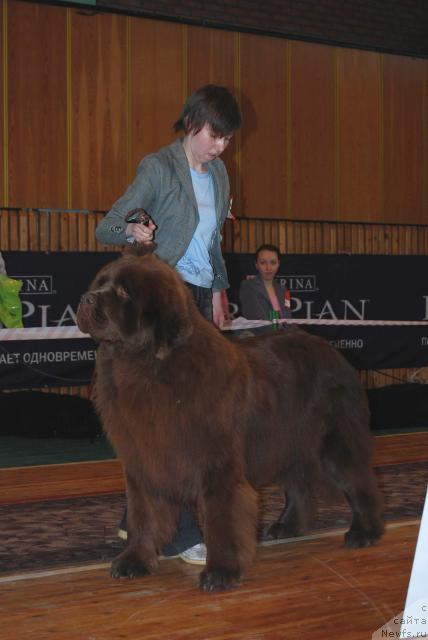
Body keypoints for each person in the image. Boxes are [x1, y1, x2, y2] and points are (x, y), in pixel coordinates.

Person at [96, 84, 242, 565]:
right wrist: (133, 230)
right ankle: (179, 536)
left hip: (197, 300)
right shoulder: (158, 168)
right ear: (192, 122)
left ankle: (135, 520)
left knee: (186, 419)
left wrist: (219, 291)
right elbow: (106, 227)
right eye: (214, 135)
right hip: (159, 308)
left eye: (226, 139)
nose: (220, 146)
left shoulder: (219, 174)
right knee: (169, 425)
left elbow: (214, 241)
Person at [239, 244, 292, 321]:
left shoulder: (284, 290)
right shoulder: (248, 286)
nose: (268, 268)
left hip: (283, 332)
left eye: (273, 263)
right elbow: (257, 320)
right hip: (262, 333)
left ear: (278, 264)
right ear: (256, 264)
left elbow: (288, 317)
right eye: (263, 263)